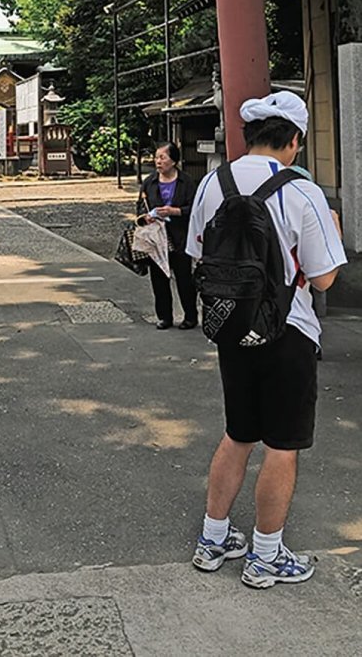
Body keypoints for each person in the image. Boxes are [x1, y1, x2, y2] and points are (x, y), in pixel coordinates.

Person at [187, 91, 346, 588]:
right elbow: (324, 280)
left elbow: (197, 255)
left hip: (231, 331)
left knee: (239, 433)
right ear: (294, 140)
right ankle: (266, 556)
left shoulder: (215, 182)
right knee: (282, 445)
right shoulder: (302, 191)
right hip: (288, 333)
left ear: (249, 136)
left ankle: (213, 540)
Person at [137, 141, 197, 329]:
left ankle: (190, 316)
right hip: (157, 237)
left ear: (174, 160)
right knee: (159, 279)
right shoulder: (150, 182)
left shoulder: (186, 182)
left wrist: (175, 211)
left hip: (180, 236)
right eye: (156, 157)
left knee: (184, 278)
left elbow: (195, 208)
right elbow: (140, 206)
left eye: (162, 157)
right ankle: (164, 317)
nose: (158, 161)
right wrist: (145, 217)